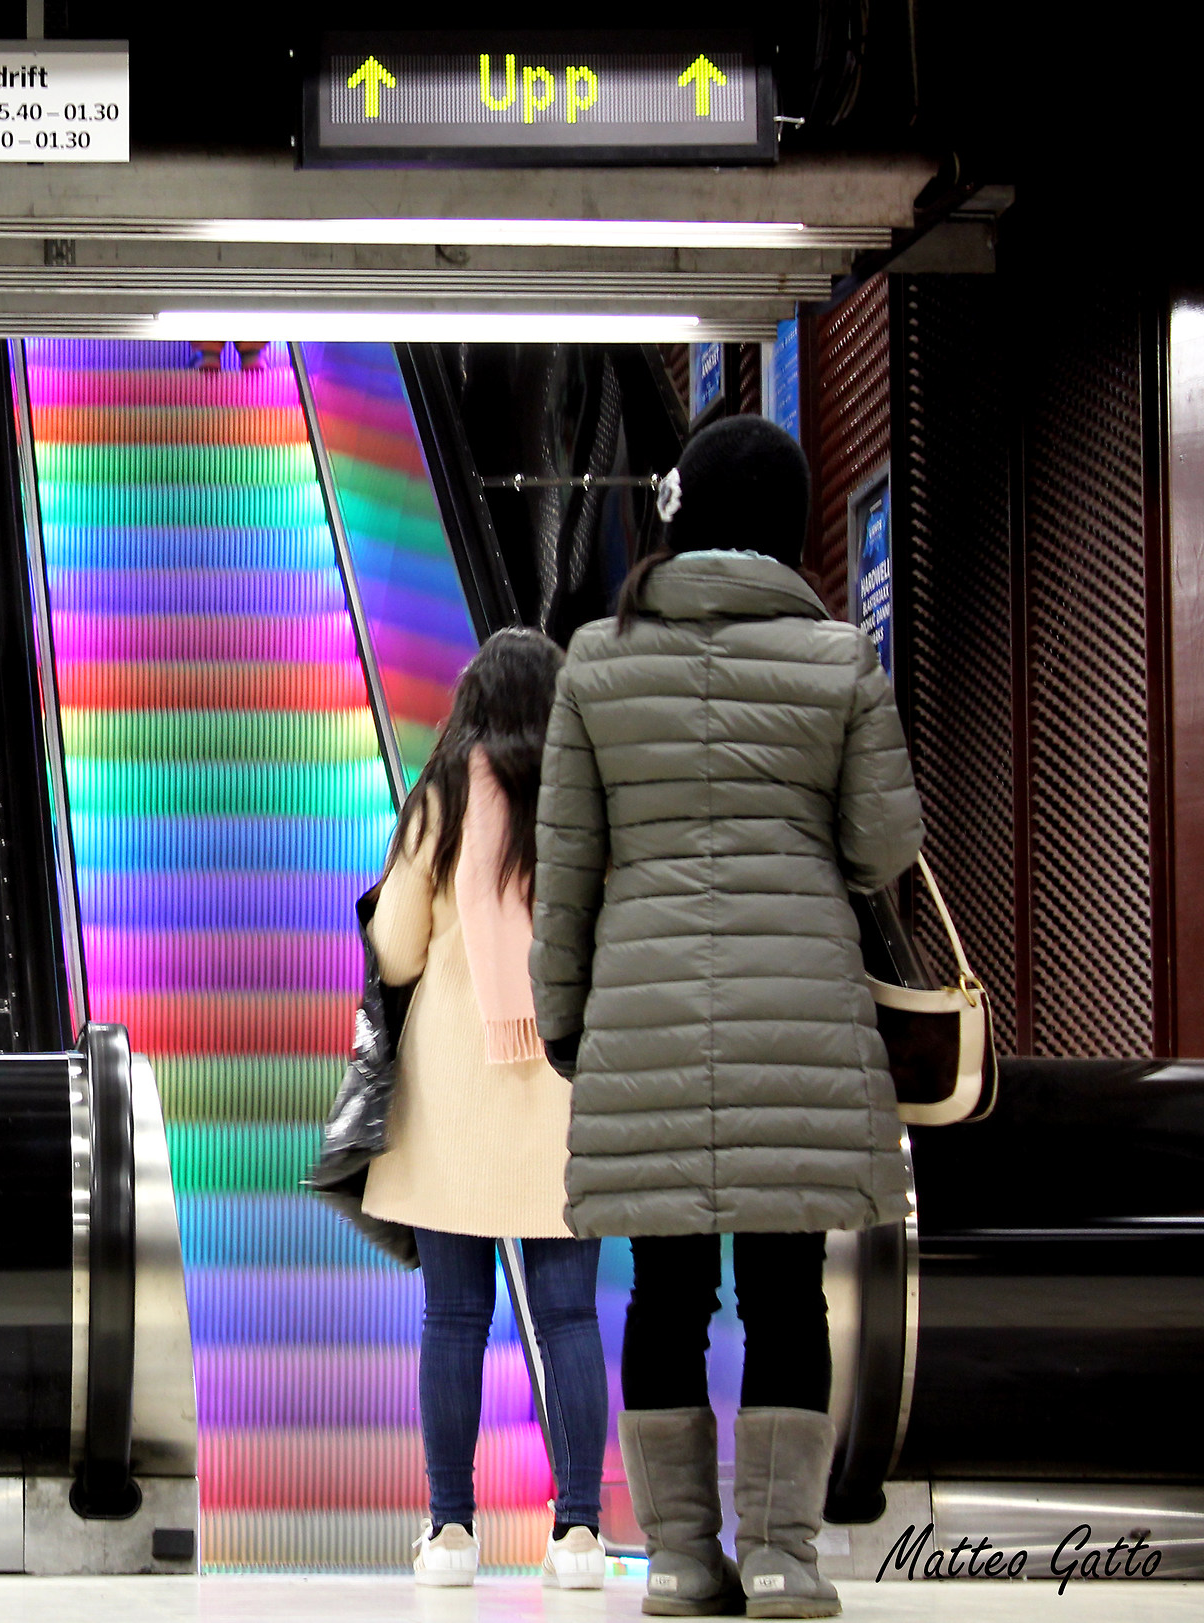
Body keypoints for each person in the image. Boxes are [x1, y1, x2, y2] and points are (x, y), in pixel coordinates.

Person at [531, 415, 923, 1620]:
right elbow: (882, 845)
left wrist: (564, 1022)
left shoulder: (595, 660)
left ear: (678, 512)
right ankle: (782, 1557)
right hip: (798, 1014)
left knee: (663, 1291)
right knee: (789, 1287)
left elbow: (568, 871)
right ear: (794, 525)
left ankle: (686, 1561)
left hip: (644, 1016)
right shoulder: (838, 660)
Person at [356, 628, 608, 1592]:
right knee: (571, 1317)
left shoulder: (439, 800)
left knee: (455, 1317)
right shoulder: (585, 798)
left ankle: (451, 1531)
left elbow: (401, 951)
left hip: (456, 1088)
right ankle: (580, 1534)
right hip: (561, 1084)